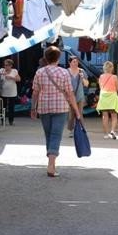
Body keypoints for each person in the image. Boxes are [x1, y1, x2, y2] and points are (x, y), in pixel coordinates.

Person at [31, 46, 82, 177]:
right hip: (60, 108)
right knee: (56, 135)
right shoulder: (64, 72)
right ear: (58, 58)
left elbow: (35, 92)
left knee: (49, 135)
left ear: (46, 58)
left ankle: (51, 163)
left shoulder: (40, 72)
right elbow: (70, 93)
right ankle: (51, 164)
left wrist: (33, 108)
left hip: (43, 107)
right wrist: (77, 111)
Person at [96, 60, 118, 139]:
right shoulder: (114, 77)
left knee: (105, 116)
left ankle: (106, 134)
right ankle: (113, 131)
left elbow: (101, 87)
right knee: (114, 116)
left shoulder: (101, 77)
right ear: (111, 68)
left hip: (104, 97)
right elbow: (117, 88)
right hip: (112, 97)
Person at [0, 58, 21, 126]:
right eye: (5, 65)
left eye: (7, 65)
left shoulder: (14, 71)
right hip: (3, 92)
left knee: (11, 107)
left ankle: (11, 120)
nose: (6, 66)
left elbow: (19, 79)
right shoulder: (2, 70)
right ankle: (3, 121)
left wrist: (11, 77)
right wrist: (0, 73)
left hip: (12, 92)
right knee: (3, 107)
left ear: (11, 65)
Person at [66, 56, 89, 138]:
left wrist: (82, 78)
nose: (76, 63)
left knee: (80, 113)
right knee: (71, 114)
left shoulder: (81, 71)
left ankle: (82, 129)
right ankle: (71, 130)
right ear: (70, 63)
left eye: (77, 61)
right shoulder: (66, 72)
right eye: (74, 61)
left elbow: (86, 84)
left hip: (80, 95)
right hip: (70, 96)